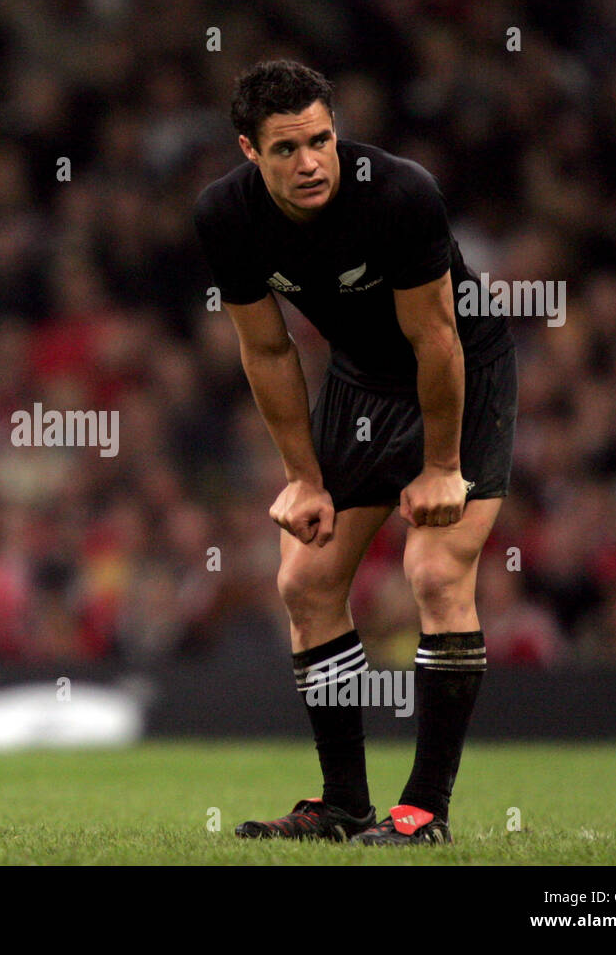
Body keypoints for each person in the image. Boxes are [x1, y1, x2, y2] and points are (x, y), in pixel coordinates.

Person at [193, 60, 517, 845]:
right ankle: (343, 805)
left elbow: (435, 337)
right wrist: (302, 478)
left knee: (435, 571)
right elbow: (267, 352)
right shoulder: (224, 216)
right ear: (249, 150)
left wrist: (442, 466)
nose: (309, 162)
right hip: (361, 385)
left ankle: (424, 813)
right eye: (285, 149)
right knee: (305, 579)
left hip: (458, 375)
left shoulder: (400, 193)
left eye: (321, 140)